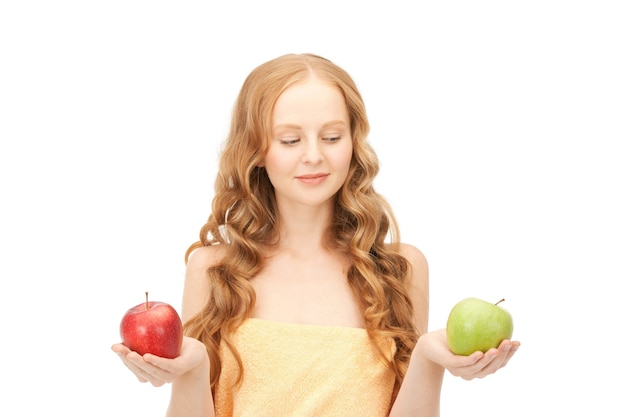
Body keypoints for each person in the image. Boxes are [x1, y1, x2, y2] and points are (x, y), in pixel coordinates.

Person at [112, 53, 520, 417]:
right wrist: (194, 367)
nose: (313, 155)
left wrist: (430, 360)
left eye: (331, 137)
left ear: (354, 142)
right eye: (290, 139)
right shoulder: (213, 269)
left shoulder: (399, 269)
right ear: (255, 149)